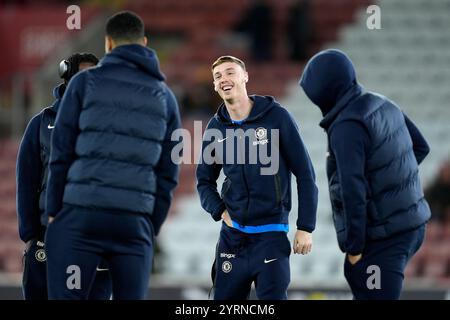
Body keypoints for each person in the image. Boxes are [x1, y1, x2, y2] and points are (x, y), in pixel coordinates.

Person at [44, 11, 181, 299]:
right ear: (144, 42)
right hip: (133, 223)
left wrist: (55, 210)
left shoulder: (83, 83)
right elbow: (168, 174)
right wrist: (148, 223)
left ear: (108, 44)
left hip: (82, 216)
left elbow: (61, 152)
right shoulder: (165, 97)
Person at [299, 49, 431, 300]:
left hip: (384, 237)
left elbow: (353, 190)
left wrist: (355, 248)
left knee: (364, 283)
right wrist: (393, 187)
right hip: (412, 226)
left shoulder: (347, 125)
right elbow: (420, 147)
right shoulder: (382, 102)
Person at [196, 55, 318, 300]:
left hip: (271, 237)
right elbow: (204, 181)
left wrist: (305, 227)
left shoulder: (277, 117)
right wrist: (221, 211)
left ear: (245, 77)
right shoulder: (215, 128)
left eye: (230, 72)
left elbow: (305, 173)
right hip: (232, 238)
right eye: (218, 76)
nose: (224, 79)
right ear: (214, 86)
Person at [16, 52, 112, 300]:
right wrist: (30, 235)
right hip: (47, 240)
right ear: (66, 77)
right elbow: (26, 182)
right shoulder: (40, 124)